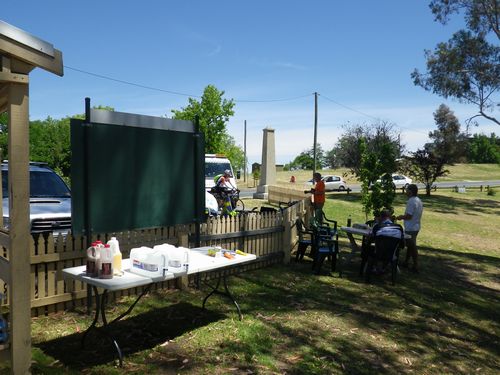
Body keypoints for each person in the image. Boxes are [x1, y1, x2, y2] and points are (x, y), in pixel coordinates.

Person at [397, 184, 423, 273]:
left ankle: (416, 266)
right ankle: (406, 262)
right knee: (410, 246)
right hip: (415, 226)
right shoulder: (418, 200)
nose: (406, 191)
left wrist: (400, 217)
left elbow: (408, 216)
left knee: (412, 246)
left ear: (410, 191)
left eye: (407, 190)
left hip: (411, 227)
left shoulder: (411, 201)